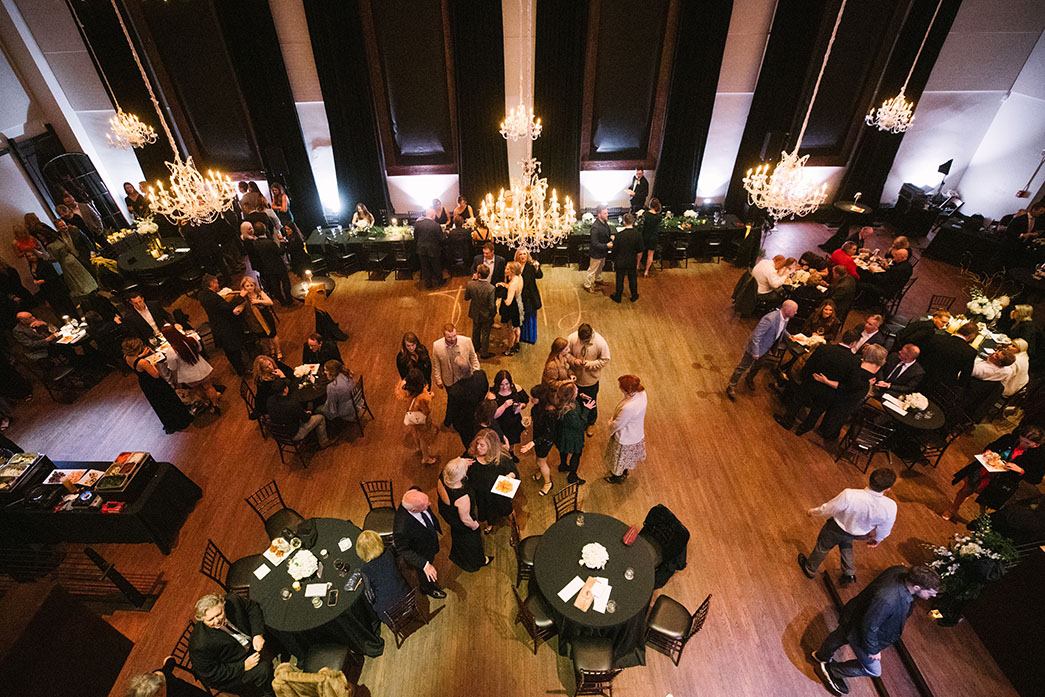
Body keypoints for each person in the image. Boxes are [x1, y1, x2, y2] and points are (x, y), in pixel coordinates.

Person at [813, 565, 940, 695]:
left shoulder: (899, 570)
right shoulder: (888, 599)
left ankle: (821, 656)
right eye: (931, 593)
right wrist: (872, 649)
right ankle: (832, 670)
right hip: (859, 629)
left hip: (855, 613)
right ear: (916, 587)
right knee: (874, 670)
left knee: (840, 635)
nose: (934, 595)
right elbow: (869, 625)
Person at [798, 468, 898, 587]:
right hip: (859, 534)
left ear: (870, 479)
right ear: (888, 488)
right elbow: (885, 528)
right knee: (846, 543)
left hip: (836, 528)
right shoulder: (891, 506)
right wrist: (878, 539)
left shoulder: (850, 494)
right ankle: (849, 572)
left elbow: (830, 508)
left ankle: (810, 568)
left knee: (823, 547)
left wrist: (813, 512)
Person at [943, 425, 1045, 521]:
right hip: (985, 471)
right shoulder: (1010, 438)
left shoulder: (1038, 457)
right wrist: (988, 451)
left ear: (1036, 445)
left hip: (1002, 481)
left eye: (1027, 443)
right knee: (966, 490)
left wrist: (1020, 470)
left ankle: (977, 523)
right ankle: (953, 509)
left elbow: (1036, 478)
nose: (1021, 444)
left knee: (985, 504)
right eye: (1021, 439)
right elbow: (992, 446)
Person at [775, 329, 861, 434]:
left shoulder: (824, 348)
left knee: (797, 401)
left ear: (843, 337)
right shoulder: (854, 361)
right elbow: (849, 384)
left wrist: (805, 378)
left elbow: (809, 365)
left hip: (811, 382)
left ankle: (787, 422)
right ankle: (802, 430)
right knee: (816, 411)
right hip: (829, 392)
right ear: (854, 343)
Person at [188, 593, 274, 697]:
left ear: (223, 605)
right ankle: (268, 693)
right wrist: (242, 666)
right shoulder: (200, 645)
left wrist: (257, 634)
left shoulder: (233, 601)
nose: (217, 620)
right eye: (210, 619)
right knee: (263, 669)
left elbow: (252, 608)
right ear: (202, 620)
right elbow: (212, 674)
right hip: (230, 669)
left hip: (245, 647)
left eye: (219, 614)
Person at [725, 300, 798, 400]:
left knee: (758, 365)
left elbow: (782, 329)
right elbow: (756, 335)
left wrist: (789, 336)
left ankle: (749, 377)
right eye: (795, 310)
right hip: (756, 347)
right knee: (743, 366)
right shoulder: (770, 319)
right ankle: (731, 386)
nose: (796, 312)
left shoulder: (786, 318)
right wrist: (755, 352)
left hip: (767, 347)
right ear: (787, 310)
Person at [123, 337, 193, 434]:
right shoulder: (142, 362)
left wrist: (142, 355)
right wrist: (152, 363)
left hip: (145, 384)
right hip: (155, 384)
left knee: (159, 404)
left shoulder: (127, 357)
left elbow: (136, 360)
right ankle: (180, 421)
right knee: (168, 400)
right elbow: (155, 375)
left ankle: (169, 422)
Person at [435, 458, 490, 572]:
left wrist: (461, 463)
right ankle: (476, 561)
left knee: (458, 539)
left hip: (449, 515)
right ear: (461, 476)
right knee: (472, 542)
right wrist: (475, 525)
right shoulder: (462, 497)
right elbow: (465, 519)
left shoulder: (442, 477)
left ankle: (459, 557)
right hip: (462, 523)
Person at [392, 488, 446, 598]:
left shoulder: (417, 497)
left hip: (429, 540)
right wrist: (424, 565)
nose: (430, 504)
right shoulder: (402, 528)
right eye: (425, 505)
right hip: (421, 552)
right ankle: (427, 588)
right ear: (414, 509)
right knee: (424, 575)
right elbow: (403, 549)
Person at [466, 428, 519, 532]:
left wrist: (510, 476)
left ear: (491, 447)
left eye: (482, 445)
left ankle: (513, 521)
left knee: (506, 509)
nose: (478, 447)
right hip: (482, 496)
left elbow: (514, 472)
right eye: (477, 444)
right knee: (487, 512)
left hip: (499, 493)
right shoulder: (471, 457)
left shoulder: (501, 459)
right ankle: (491, 523)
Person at [162, 324, 221, 414]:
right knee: (209, 387)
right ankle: (215, 404)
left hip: (189, 375)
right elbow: (199, 349)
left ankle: (208, 402)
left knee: (199, 390)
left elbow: (173, 367)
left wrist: (168, 362)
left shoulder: (171, 351)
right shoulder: (191, 339)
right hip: (201, 368)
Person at [356, 530, 411, 626]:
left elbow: (370, 597)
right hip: (407, 597)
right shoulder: (388, 552)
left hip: (389, 613)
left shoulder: (365, 569)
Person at [197, 275, 250, 376]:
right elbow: (227, 307)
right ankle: (242, 371)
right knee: (234, 350)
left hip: (216, 326)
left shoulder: (202, 294)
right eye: (216, 283)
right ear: (212, 284)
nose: (218, 285)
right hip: (224, 327)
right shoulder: (212, 297)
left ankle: (240, 369)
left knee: (229, 351)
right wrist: (240, 297)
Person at [567, 323, 610, 437]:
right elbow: (566, 354)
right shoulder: (572, 338)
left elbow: (605, 360)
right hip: (575, 378)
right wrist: (574, 361)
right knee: (574, 401)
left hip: (590, 381)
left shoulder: (600, 343)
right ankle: (577, 422)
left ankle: (591, 422)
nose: (582, 342)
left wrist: (590, 364)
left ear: (590, 336)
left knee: (591, 402)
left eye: (585, 341)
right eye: (581, 340)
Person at [431, 323, 480, 424]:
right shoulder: (437, 346)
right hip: (449, 381)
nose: (453, 339)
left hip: (465, 379)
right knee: (452, 399)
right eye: (449, 337)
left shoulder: (466, 341)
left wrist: (476, 373)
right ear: (444, 336)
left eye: (454, 335)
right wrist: (438, 379)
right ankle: (452, 418)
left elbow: (473, 357)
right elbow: (436, 364)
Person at [604, 375, 648, 483]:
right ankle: (624, 472)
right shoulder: (642, 394)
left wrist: (610, 423)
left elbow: (618, 424)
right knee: (627, 458)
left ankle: (617, 478)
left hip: (625, 437)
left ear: (626, 390)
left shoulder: (628, 407)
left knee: (619, 460)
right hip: (636, 433)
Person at [38, 223, 97, 302]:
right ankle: (92, 289)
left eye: (40, 237)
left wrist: (46, 258)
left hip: (65, 262)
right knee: (83, 275)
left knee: (76, 280)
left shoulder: (50, 246)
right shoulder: (58, 238)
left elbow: (55, 258)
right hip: (71, 258)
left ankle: (86, 295)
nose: (40, 238)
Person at [266, 378, 331, 447]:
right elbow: (305, 419)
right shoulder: (292, 404)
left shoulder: (269, 400)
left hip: (278, 433)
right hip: (294, 433)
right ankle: (324, 442)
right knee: (320, 418)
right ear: (285, 389)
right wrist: (309, 411)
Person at [554, 382, 596, 485]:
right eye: (576, 390)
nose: (578, 390)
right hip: (572, 436)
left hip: (561, 433)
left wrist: (581, 397)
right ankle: (572, 475)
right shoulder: (570, 411)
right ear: (571, 395)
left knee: (563, 450)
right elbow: (580, 425)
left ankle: (563, 465)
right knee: (577, 454)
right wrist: (587, 409)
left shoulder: (561, 402)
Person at [446, 355, 488, 448]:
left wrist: (447, 422)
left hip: (464, 422)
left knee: (468, 442)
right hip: (480, 415)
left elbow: (452, 409)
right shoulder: (481, 375)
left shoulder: (454, 391)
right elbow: (485, 390)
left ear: (457, 371)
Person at [921, 320, 978, 388]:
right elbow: (965, 376)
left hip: (923, 375)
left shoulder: (937, 338)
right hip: (942, 386)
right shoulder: (970, 352)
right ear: (971, 336)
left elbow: (923, 354)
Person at [487, 369, 528, 459]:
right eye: (501, 384)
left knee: (512, 441)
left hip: (514, 422)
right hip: (500, 424)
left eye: (507, 384)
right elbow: (492, 416)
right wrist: (504, 406)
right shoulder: (492, 395)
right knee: (500, 443)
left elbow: (525, 402)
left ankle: (511, 454)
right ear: (497, 384)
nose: (505, 387)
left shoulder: (516, 389)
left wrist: (521, 406)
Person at [398, 367, 436, 465]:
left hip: (412, 416)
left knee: (415, 432)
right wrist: (431, 396)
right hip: (421, 421)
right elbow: (427, 411)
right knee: (424, 438)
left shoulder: (404, 389)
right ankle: (426, 458)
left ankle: (418, 447)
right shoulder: (422, 398)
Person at [250, 222, 292, 307]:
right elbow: (280, 252)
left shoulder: (255, 244)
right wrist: (282, 242)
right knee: (285, 282)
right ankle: (289, 299)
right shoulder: (269, 242)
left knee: (275, 286)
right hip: (278, 266)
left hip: (267, 268)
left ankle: (282, 302)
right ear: (265, 230)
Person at [238, 277, 281, 360]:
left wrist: (258, 301)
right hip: (255, 321)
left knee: (272, 335)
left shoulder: (259, 293)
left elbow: (270, 302)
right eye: (247, 286)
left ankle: (278, 351)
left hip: (265, 317)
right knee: (264, 337)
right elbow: (240, 306)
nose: (250, 287)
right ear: (243, 287)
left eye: (252, 285)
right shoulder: (244, 296)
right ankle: (271, 350)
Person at [527, 384, 557, 496]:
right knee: (540, 459)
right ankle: (540, 471)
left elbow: (548, 434)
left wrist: (533, 442)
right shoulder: (539, 406)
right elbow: (535, 415)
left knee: (541, 461)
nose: (531, 399)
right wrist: (530, 419)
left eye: (534, 397)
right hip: (538, 437)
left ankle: (548, 483)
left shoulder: (550, 413)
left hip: (545, 441)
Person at [124, 658, 210, 697]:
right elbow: (170, 662)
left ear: (157, 690)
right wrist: (168, 660)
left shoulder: (170, 687)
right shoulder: (159, 674)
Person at [609, 212, 642, 303]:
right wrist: (638, 263)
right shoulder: (638, 235)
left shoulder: (619, 236)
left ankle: (618, 297)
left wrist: (612, 260)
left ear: (624, 222)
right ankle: (634, 295)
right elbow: (640, 252)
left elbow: (614, 250)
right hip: (632, 261)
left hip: (620, 261)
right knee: (633, 279)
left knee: (619, 279)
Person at [465, 265, 496, 358]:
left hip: (475, 312)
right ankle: (484, 353)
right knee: (485, 334)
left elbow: (466, 298)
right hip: (486, 315)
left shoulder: (470, 284)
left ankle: (475, 348)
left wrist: (473, 280)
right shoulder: (491, 288)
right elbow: (491, 305)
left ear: (478, 274)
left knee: (475, 331)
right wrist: (492, 314)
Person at [516, 249, 543, 344]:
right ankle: (521, 336)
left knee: (530, 317)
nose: (522, 256)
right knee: (520, 317)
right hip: (519, 296)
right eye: (520, 254)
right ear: (517, 256)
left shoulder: (531, 266)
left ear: (527, 255)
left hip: (530, 297)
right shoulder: (515, 267)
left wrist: (537, 269)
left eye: (524, 254)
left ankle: (530, 337)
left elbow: (539, 276)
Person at [497, 261, 524, 355]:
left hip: (512, 309)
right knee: (517, 327)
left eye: (507, 269)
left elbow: (508, 302)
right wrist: (505, 285)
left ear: (512, 271)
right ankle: (517, 343)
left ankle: (510, 348)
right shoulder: (519, 277)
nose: (505, 270)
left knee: (511, 330)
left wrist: (501, 296)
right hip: (519, 303)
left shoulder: (512, 285)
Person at [414, 208, 445, 289]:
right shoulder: (436, 225)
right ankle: (440, 282)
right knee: (436, 266)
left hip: (421, 249)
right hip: (433, 249)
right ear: (432, 215)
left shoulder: (418, 224)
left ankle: (428, 284)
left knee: (425, 268)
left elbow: (415, 237)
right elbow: (441, 239)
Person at [584, 205, 612, 292]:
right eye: (605, 213)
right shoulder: (595, 227)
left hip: (603, 252)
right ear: (599, 214)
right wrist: (607, 246)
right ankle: (587, 285)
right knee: (592, 270)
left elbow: (606, 233)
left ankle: (597, 279)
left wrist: (611, 236)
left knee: (600, 267)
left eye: (607, 213)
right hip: (596, 253)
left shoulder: (604, 222)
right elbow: (594, 243)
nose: (607, 215)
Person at [640, 197, 663, 277]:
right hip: (653, 237)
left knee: (640, 253)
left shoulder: (645, 214)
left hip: (645, 236)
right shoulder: (659, 217)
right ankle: (646, 271)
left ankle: (637, 266)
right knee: (650, 255)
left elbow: (642, 226)